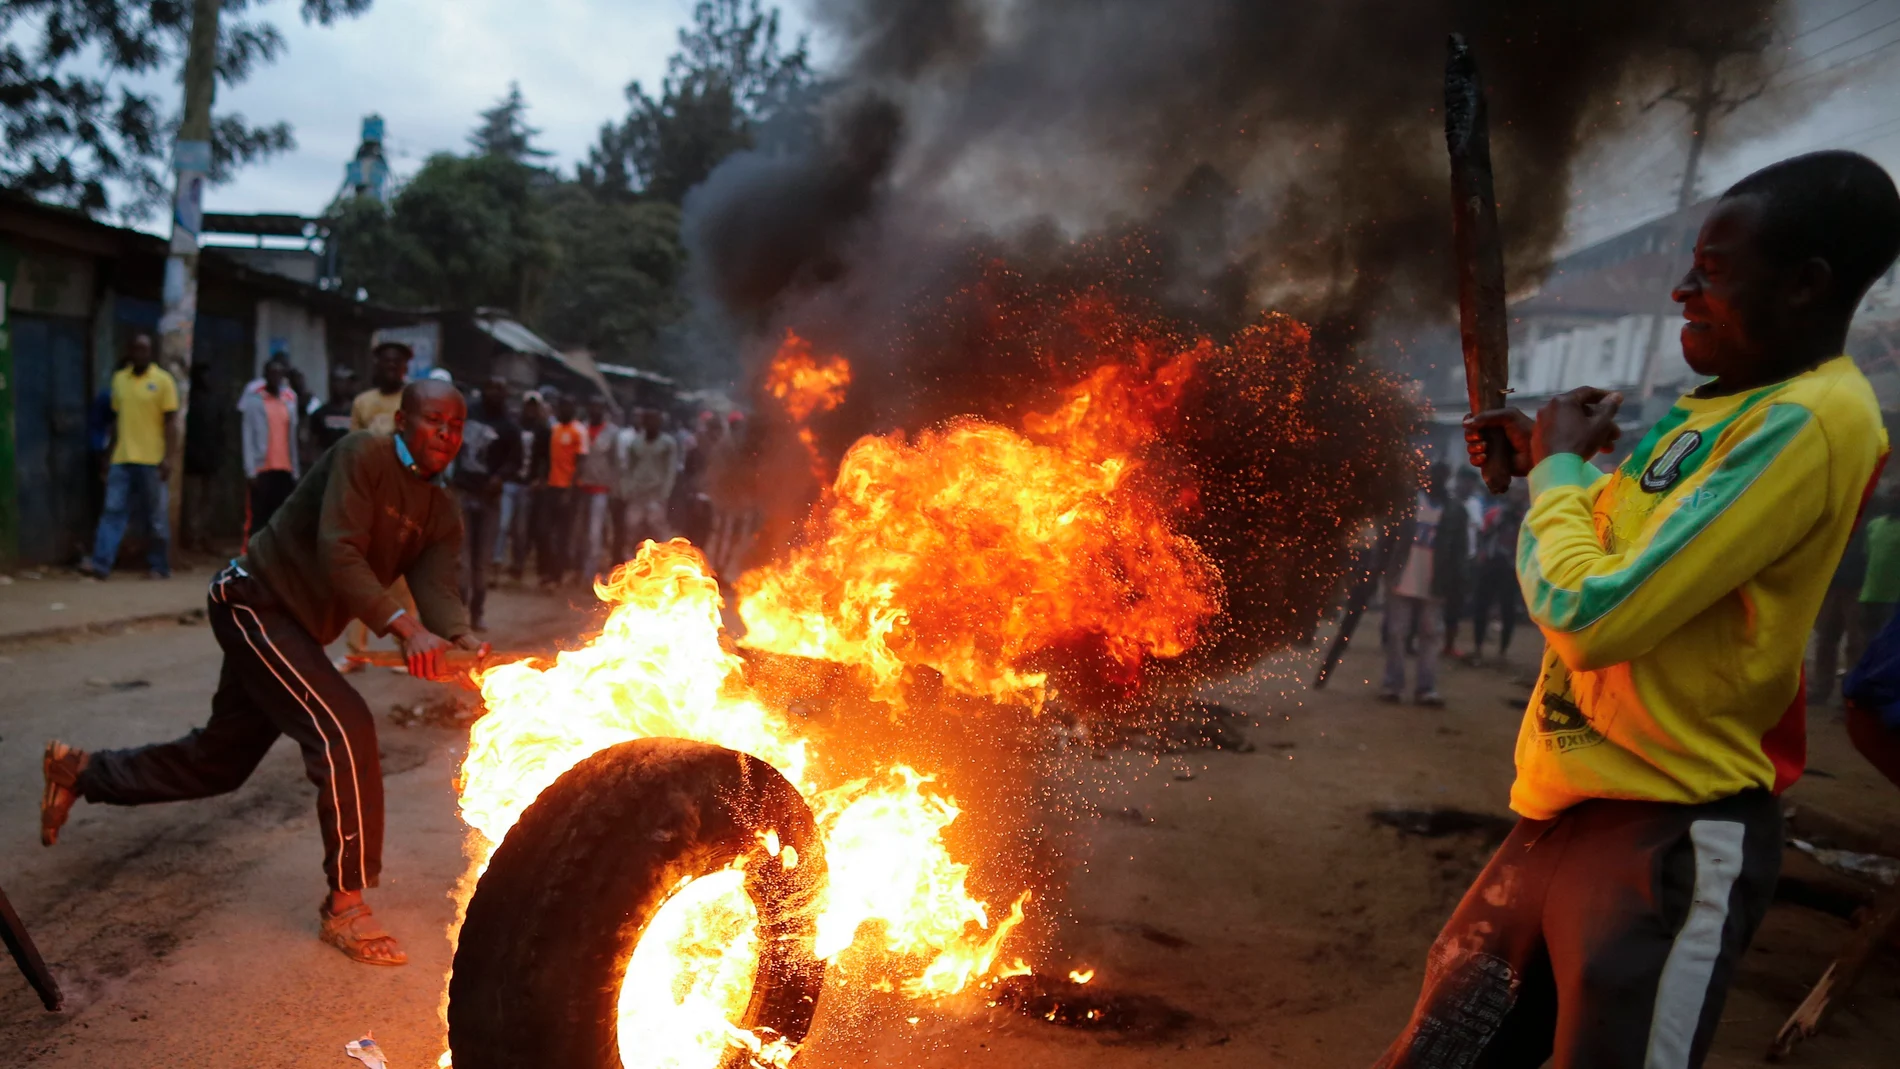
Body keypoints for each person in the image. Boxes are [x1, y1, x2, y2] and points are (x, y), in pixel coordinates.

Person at [1378, 151, 1899, 1069]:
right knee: (1438, 1054)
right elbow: (1627, 555)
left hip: (1669, 829)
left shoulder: (1811, 419)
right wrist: (1560, 462)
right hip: (1561, 810)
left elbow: (1589, 614)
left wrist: (1562, 468)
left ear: (1806, 283)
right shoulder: (1719, 409)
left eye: (1714, 268)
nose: (1682, 288)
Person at [41, 380, 482, 967]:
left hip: (294, 631)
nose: (446, 436)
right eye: (434, 421)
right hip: (253, 601)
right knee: (345, 729)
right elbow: (340, 552)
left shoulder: (440, 508)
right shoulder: (362, 455)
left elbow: (438, 587)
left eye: (455, 426)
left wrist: (460, 637)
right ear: (402, 420)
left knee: (219, 762)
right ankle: (346, 905)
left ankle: (80, 771)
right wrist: (405, 629)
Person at [340, 343, 417, 671]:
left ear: (404, 368)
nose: (390, 367)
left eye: (396, 363)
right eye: (385, 362)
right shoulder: (363, 403)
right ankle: (355, 652)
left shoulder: (415, 403)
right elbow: (351, 449)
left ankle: (408, 649)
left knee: (400, 581)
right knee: (358, 574)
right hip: (366, 497)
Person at [79, 333, 177, 580]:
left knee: (155, 516)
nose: (140, 354)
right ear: (129, 352)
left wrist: (168, 458)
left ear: (151, 353)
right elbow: (116, 422)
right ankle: (101, 564)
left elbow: (170, 424)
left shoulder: (163, 381)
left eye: (144, 350)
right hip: (122, 458)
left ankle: (159, 566)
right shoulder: (119, 380)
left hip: (152, 460)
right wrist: (107, 454)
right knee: (113, 511)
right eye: (136, 349)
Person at [1379, 461, 1464, 706]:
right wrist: (1381, 567)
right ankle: (1393, 685)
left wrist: (1457, 582)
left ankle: (1425, 689)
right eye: (1432, 474)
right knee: (1396, 634)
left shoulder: (1455, 510)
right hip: (1402, 576)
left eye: (1441, 474)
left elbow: (1459, 550)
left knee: (1430, 635)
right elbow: (1388, 537)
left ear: (1446, 477)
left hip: (1435, 581)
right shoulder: (1406, 505)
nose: (1436, 479)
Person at [452, 379, 521, 631]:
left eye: (499, 389)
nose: (494, 392)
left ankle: (477, 613)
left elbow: (516, 461)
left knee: (482, 560)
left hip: (489, 499)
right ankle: (458, 615)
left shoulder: (510, 427)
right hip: (463, 491)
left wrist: (500, 477)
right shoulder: (466, 413)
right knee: (461, 558)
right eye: (490, 387)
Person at [238, 357, 301, 541]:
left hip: (285, 469)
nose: (276, 378)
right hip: (262, 469)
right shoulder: (254, 400)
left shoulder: (289, 399)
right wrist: (250, 470)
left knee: (282, 519)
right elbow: (247, 434)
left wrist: (295, 470)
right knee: (258, 520)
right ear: (265, 376)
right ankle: (251, 561)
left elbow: (292, 435)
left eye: (279, 374)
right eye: (272, 374)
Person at [1465, 481, 1528, 663]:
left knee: (1508, 610)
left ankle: (1502, 652)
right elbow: (1483, 534)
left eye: (1521, 493)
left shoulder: (1527, 517)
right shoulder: (1496, 513)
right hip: (1491, 564)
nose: (1517, 496)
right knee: (1481, 606)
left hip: (1511, 568)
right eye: (1515, 492)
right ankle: (1478, 648)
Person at [539, 394, 589, 588]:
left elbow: (581, 462)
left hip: (568, 490)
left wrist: (571, 489)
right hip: (551, 486)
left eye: (568, 406)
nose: (565, 410)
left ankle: (557, 575)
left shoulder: (579, 431)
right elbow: (547, 457)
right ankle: (547, 570)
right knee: (544, 531)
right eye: (562, 406)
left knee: (562, 534)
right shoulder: (554, 429)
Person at [616, 408, 679, 557]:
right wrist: (626, 488)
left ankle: (661, 562)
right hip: (637, 493)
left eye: (655, 420)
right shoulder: (636, 442)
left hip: (656, 494)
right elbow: (629, 467)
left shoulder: (667, 443)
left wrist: (665, 492)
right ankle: (630, 563)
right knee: (631, 528)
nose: (651, 424)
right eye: (648, 420)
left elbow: (670, 470)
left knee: (657, 529)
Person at [573, 396, 620, 582]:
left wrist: (614, 489)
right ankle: (576, 570)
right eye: (592, 406)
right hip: (579, 487)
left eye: (599, 407)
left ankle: (589, 574)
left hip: (600, 490)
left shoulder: (612, 433)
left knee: (594, 533)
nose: (595, 410)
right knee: (577, 533)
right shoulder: (580, 429)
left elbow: (616, 463)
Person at [1441, 467, 1484, 660]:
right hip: (1447, 559)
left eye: (1471, 482)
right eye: (1464, 481)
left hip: (1467, 560)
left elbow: (1478, 531)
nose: (1468, 485)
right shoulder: (1447, 503)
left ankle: (1449, 645)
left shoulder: (1475, 504)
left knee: (1456, 604)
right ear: (1458, 481)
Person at [510, 391, 551, 581]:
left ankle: (519, 565)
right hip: (511, 481)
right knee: (504, 527)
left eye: (535, 406)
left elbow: (546, 458)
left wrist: (541, 479)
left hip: (530, 485)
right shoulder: (514, 425)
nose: (531, 409)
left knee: (523, 528)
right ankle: (503, 563)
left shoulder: (543, 429)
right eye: (529, 405)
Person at [308, 365, 359, 457]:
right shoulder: (320, 413)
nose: (339, 385)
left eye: (342, 381)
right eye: (336, 381)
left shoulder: (357, 412)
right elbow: (313, 444)